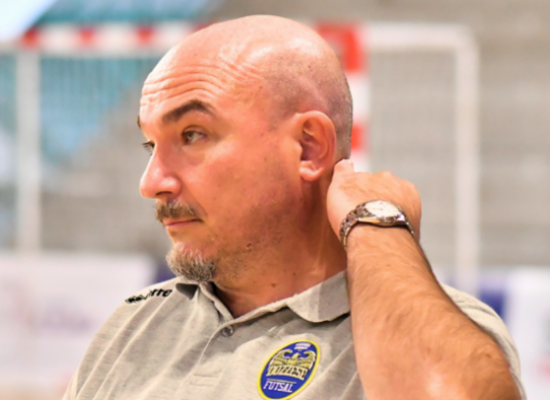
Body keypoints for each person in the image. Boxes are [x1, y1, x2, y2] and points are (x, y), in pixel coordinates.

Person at [63, 15, 524, 400]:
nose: (151, 184)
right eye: (151, 145)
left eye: (192, 135)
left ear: (308, 147)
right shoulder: (135, 324)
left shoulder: (447, 331)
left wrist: (376, 224)